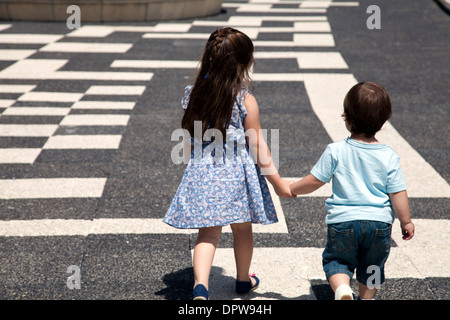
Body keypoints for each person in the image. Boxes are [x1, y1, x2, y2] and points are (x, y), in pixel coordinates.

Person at [163, 27, 294, 300]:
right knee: (242, 228)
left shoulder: (192, 93)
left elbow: (190, 136)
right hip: (237, 171)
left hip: (203, 167)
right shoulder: (244, 99)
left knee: (208, 234)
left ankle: (200, 287)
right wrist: (279, 182)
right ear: (244, 63)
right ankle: (243, 281)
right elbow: (257, 145)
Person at [290, 82, 415, 300]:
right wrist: (406, 221)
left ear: (347, 118)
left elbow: (315, 180)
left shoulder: (336, 150)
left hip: (343, 223)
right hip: (379, 224)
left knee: (337, 261)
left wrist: (292, 188)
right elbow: (398, 193)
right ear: (384, 120)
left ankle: (342, 289)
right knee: (373, 267)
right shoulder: (389, 156)